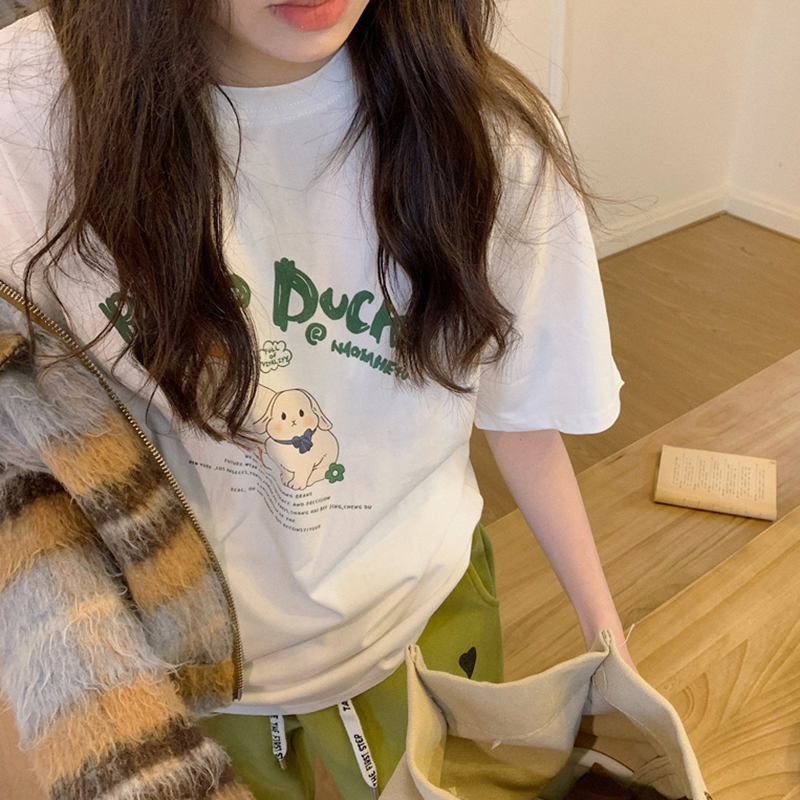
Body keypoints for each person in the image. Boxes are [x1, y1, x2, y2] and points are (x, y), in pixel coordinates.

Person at [0, 2, 633, 799]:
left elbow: (524, 420)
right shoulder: (24, 115)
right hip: (181, 665)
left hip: (421, 627)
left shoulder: (487, 137)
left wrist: (607, 636)